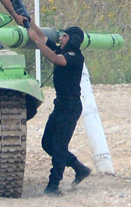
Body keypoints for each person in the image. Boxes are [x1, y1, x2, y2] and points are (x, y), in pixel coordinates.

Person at [27, 21, 92, 194]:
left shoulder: (74, 56)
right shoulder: (62, 50)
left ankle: (53, 185)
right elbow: (41, 35)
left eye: (65, 36)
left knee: (59, 146)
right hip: (61, 104)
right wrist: (24, 16)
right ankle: (79, 168)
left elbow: (55, 59)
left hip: (71, 106)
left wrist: (37, 42)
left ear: (72, 40)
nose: (61, 38)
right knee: (47, 143)